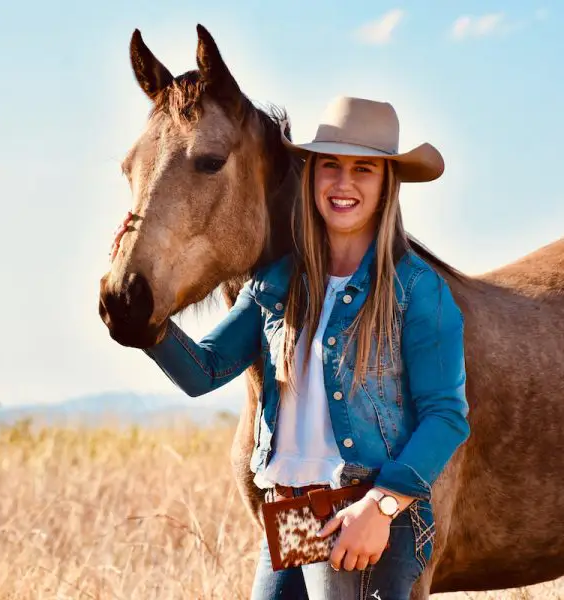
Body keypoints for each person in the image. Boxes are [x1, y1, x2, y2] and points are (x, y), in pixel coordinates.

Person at [109, 97, 470, 600]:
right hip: (291, 517)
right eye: (330, 167)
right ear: (312, 175)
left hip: (362, 515)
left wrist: (380, 508)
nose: (343, 184)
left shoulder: (417, 291)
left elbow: (446, 416)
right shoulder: (279, 284)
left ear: (387, 183)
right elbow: (204, 371)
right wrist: (143, 325)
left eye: (363, 169)